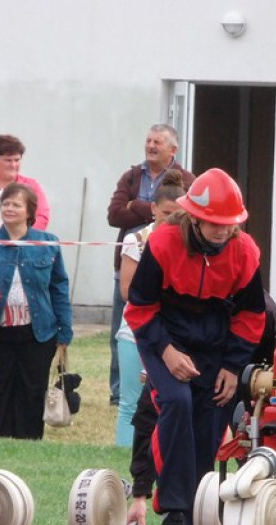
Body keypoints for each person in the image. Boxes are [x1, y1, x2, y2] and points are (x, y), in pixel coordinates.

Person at [126, 168, 265, 525]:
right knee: (176, 402)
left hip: (217, 342)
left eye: (229, 224)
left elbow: (252, 316)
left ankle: (198, 507)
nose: (222, 231)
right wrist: (167, 352)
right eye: (214, 224)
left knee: (211, 415)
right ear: (195, 217)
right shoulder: (163, 243)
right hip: (164, 336)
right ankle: (173, 509)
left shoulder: (245, 252)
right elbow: (139, 308)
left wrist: (233, 368)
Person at [0, 183, 72, 439]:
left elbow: (59, 287)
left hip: (37, 333)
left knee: (33, 391)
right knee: (0, 390)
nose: (9, 209)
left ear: (29, 211)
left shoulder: (47, 243)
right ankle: (4, 440)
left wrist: (64, 329)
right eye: (6, 204)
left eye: (16, 204)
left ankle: (30, 441)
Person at [107, 125, 195, 406]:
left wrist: (138, 206)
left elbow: (190, 216)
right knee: (121, 333)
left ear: (173, 149)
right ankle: (120, 389)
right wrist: (149, 209)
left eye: (158, 141)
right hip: (131, 262)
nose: (151, 146)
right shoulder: (132, 176)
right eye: (148, 140)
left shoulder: (188, 181)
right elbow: (114, 214)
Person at [114, 170, 186, 447]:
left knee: (167, 400)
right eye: (166, 212)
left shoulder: (187, 241)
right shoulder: (137, 240)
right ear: (153, 208)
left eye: (178, 213)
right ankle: (124, 450)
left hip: (172, 334)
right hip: (134, 332)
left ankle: (161, 449)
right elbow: (127, 291)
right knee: (130, 401)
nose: (171, 219)